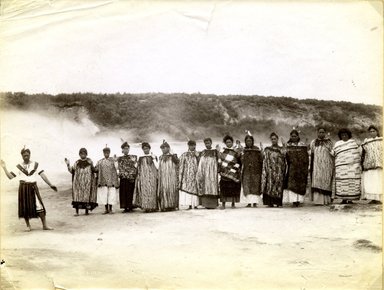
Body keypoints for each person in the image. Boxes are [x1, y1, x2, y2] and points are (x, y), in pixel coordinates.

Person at [0, 147, 57, 231]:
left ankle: (45, 225)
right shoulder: (18, 167)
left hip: (33, 187)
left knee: (39, 205)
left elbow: (42, 175)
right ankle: (28, 226)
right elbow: (10, 176)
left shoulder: (35, 164)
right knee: (24, 206)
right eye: (24, 155)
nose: (26, 156)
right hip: (23, 188)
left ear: (30, 155)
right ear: (22, 156)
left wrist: (50, 184)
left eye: (27, 155)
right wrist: (4, 167)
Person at [65, 148, 98, 216]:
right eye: (81, 153)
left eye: (84, 153)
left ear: (86, 154)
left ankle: (86, 211)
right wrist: (68, 164)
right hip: (78, 183)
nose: (83, 155)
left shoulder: (90, 161)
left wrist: (98, 168)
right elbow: (72, 170)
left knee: (87, 196)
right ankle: (77, 212)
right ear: (79, 154)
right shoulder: (77, 162)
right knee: (77, 197)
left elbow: (93, 169)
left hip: (87, 183)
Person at [333, 128, 362, 204]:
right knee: (342, 183)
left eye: (346, 135)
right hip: (341, 168)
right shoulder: (337, 144)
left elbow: (358, 153)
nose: (344, 136)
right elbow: (334, 153)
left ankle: (350, 199)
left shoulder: (353, 143)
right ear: (340, 136)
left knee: (352, 182)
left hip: (352, 167)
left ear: (349, 135)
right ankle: (343, 199)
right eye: (342, 135)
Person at [283, 130, 309, 207]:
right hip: (292, 168)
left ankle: (299, 200)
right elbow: (285, 156)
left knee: (300, 183)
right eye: (292, 136)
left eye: (295, 136)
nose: (293, 137)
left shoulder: (302, 145)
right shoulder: (288, 145)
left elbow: (305, 156)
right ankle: (294, 201)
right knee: (292, 184)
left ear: (298, 136)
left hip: (301, 168)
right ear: (290, 137)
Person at [310, 127, 334, 205]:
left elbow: (333, 152)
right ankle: (318, 201)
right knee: (317, 181)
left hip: (327, 165)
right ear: (317, 133)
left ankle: (326, 201)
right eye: (320, 132)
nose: (321, 134)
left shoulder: (329, 142)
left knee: (326, 182)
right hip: (317, 166)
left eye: (323, 132)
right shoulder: (313, 142)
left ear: (325, 133)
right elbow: (311, 153)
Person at [261, 132, 286, 207]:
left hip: (278, 171)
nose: (273, 140)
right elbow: (264, 158)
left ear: (277, 139)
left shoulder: (281, 149)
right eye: (272, 139)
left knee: (278, 185)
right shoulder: (267, 149)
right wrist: (262, 152)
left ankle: (277, 202)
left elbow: (284, 155)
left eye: (275, 139)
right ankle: (270, 202)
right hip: (270, 171)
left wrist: (284, 145)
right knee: (269, 186)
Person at [218, 135, 242, 209]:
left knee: (233, 188)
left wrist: (239, 153)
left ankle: (233, 204)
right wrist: (220, 168)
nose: (228, 143)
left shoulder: (236, 151)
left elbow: (239, 160)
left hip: (234, 172)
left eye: (230, 142)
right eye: (227, 142)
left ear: (232, 142)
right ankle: (223, 204)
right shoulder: (222, 151)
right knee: (224, 187)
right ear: (225, 143)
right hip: (224, 171)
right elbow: (220, 160)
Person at [133, 142, 159, 212]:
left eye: (147, 148)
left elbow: (157, 166)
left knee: (152, 192)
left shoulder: (153, 156)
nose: (146, 150)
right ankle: (146, 207)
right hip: (143, 177)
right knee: (145, 192)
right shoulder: (141, 158)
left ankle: (152, 207)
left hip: (152, 176)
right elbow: (136, 166)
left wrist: (154, 159)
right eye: (144, 149)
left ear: (149, 149)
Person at [361, 125, 382, 204]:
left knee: (379, 181)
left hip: (379, 164)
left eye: (374, 131)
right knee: (372, 181)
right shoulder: (366, 142)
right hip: (370, 165)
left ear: (377, 132)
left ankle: (379, 199)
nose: (372, 133)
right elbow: (363, 153)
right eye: (371, 131)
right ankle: (373, 199)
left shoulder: (381, 140)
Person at [196, 138, 220, 209]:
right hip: (205, 173)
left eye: (208, 143)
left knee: (213, 187)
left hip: (213, 172)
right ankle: (206, 204)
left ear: (211, 143)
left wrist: (218, 151)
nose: (207, 145)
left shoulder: (215, 152)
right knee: (206, 187)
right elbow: (200, 160)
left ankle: (213, 204)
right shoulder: (203, 152)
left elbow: (219, 159)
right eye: (206, 143)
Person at [95, 146, 119, 214]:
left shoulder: (113, 161)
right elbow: (95, 169)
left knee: (111, 195)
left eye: (108, 153)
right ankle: (106, 209)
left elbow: (117, 167)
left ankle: (110, 209)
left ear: (109, 153)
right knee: (104, 195)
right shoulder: (100, 162)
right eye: (105, 153)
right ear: (103, 153)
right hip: (103, 181)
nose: (106, 154)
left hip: (111, 181)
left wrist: (116, 160)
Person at [241, 133, 263, 208]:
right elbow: (241, 160)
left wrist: (262, 153)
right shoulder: (244, 150)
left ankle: (255, 203)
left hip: (256, 171)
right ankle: (249, 203)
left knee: (255, 186)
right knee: (247, 186)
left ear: (252, 141)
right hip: (247, 171)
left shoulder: (257, 149)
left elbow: (261, 160)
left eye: (250, 141)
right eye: (247, 141)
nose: (248, 142)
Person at [158, 140, 179, 211]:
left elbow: (177, 163)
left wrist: (173, 155)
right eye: (162, 148)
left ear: (168, 148)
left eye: (165, 148)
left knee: (172, 189)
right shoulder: (160, 157)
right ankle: (165, 205)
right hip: (163, 177)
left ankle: (172, 205)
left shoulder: (173, 156)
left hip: (172, 176)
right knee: (164, 190)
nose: (163, 150)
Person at [117, 142, 137, 213]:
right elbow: (119, 167)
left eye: (127, 148)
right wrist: (123, 174)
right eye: (124, 149)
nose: (126, 150)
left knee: (130, 192)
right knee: (124, 193)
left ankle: (130, 206)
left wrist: (132, 174)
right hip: (124, 177)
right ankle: (125, 207)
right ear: (122, 150)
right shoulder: (120, 158)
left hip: (131, 177)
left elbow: (135, 166)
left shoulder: (133, 157)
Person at [179, 140, 200, 209]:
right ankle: (190, 205)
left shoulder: (198, 154)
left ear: (195, 146)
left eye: (193, 145)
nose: (192, 146)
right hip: (187, 174)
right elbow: (181, 164)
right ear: (188, 146)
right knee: (188, 189)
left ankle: (196, 204)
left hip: (196, 174)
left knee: (195, 189)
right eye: (190, 145)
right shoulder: (184, 154)